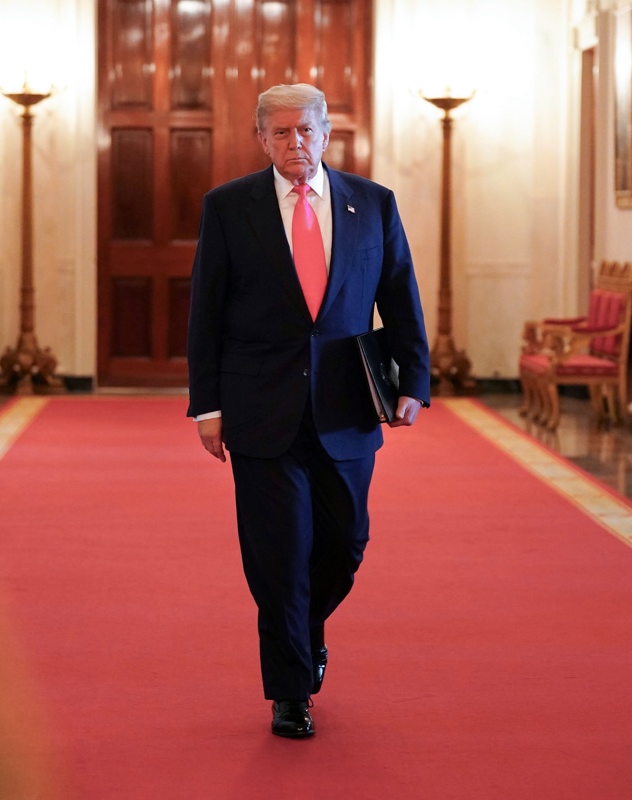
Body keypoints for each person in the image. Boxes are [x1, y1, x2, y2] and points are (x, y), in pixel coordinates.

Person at [186, 83, 431, 738]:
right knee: (278, 555)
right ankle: (290, 691)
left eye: (306, 130)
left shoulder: (371, 203)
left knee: (346, 543)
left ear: (326, 135)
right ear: (262, 139)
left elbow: (400, 293)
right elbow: (206, 313)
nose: (295, 142)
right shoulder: (229, 207)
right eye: (281, 132)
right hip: (259, 406)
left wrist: (414, 380)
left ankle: (307, 626)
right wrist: (207, 406)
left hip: (347, 405)